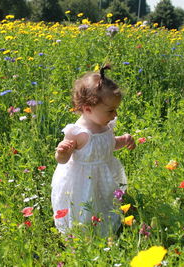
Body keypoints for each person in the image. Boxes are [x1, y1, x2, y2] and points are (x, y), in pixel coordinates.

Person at [51, 65, 136, 236]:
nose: (115, 115)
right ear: (88, 109)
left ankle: (106, 227)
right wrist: (62, 152)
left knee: (104, 202)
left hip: (102, 177)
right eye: (111, 110)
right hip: (81, 181)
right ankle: (81, 233)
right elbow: (62, 160)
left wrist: (123, 140)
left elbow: (108, 144)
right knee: (84, 205)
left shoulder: (105, 126)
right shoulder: (79, 133)